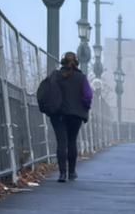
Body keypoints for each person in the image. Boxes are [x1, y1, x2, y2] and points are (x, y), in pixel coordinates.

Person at [36, 52, 93, 182]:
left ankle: (62, 174)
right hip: (76, 115)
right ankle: (72, 172)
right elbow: (88, 96)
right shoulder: (81, 78)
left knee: (61, 142)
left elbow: (44, 91)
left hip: (58, 114)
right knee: (72, 141)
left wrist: (48, 107)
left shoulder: (55, 75)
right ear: (76, 63)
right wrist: (84, 107)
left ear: (62, 62)